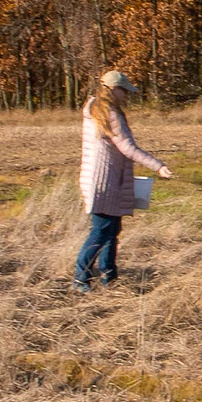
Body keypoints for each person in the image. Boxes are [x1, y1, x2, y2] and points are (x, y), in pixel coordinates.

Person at [75, 70, 173, 291]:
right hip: (104, 183)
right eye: (124, 91)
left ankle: (109, 277)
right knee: (101, 232)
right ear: (113, 90)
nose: (126, 96)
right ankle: (80, 278)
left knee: (111, 229)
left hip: (99, 179)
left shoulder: (94, 108)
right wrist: (158, 166)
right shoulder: (108, 114)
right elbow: (127, 148)